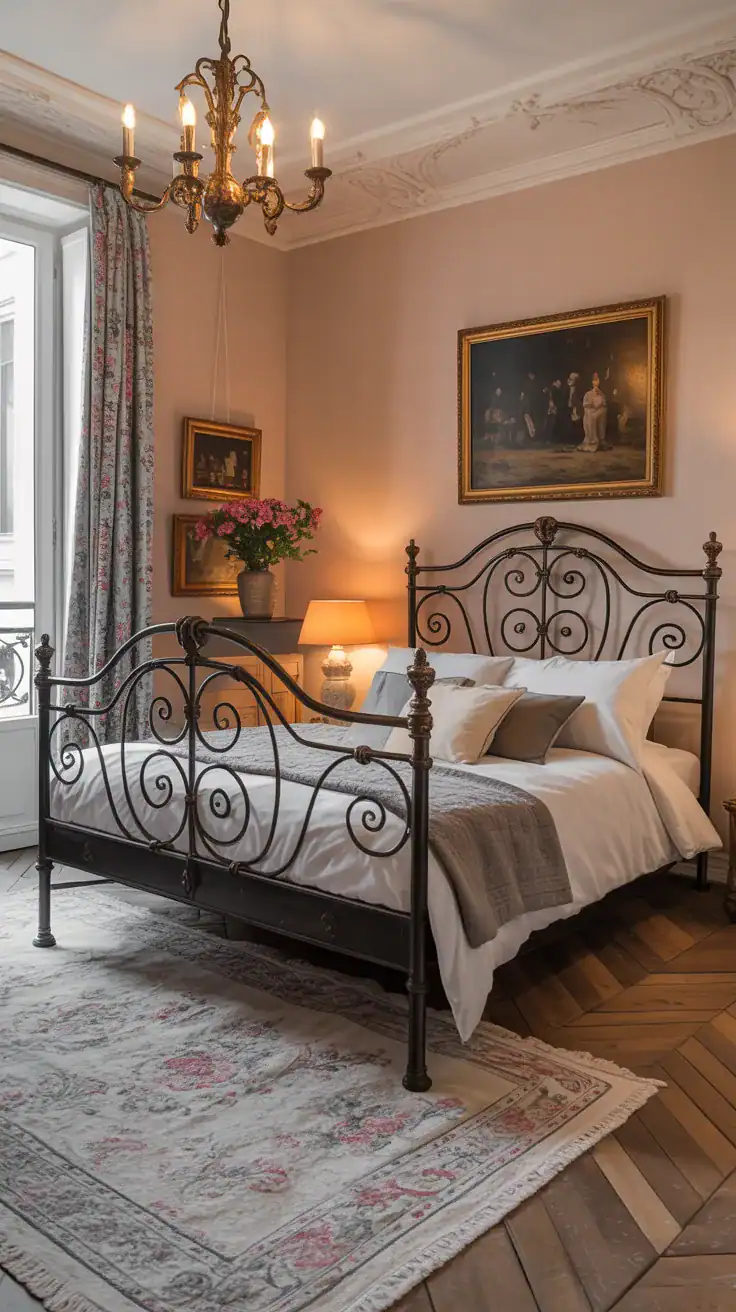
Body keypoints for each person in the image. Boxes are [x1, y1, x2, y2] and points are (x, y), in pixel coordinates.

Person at [578, 372, 608, 452]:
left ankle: (598, 439)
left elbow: (603, 404)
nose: (595, 382)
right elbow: (586, 405)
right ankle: (591, 439)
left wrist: (598, 406)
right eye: (594, 380)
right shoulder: (588, 394)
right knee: (589, 416)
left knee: (597, 415)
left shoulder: (602, 394)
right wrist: (591, 407)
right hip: (591, 411)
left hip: (600, 411)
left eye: (597, 380)